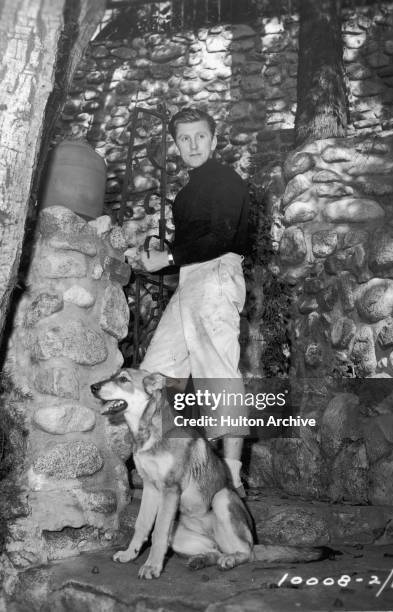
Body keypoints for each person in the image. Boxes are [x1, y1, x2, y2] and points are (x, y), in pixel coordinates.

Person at [139, 107, 250, 496]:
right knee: (157, 372)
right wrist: (160, 258)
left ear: (214, 140)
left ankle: (233, 478)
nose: (193, 144)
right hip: (191, 279)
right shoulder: (186, 194)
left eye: (200, 136)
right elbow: (189, 246)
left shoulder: (224, 179)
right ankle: (175, 467)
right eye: (184, 138)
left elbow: (220, 235)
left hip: (218, 273)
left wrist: (168, 258)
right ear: (176, 146)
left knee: (217, 370)